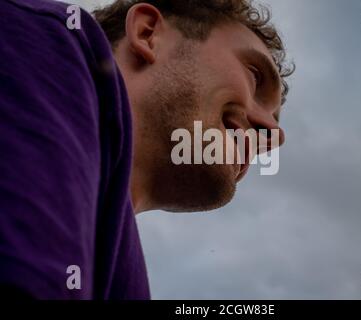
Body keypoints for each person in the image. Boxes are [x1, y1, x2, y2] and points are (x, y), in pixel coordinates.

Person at [0, 0, 293, 299]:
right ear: (147, 33)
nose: (273, 134)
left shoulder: (118, 256)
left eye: (275, 119)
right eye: (255, 76)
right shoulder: (47, 39)